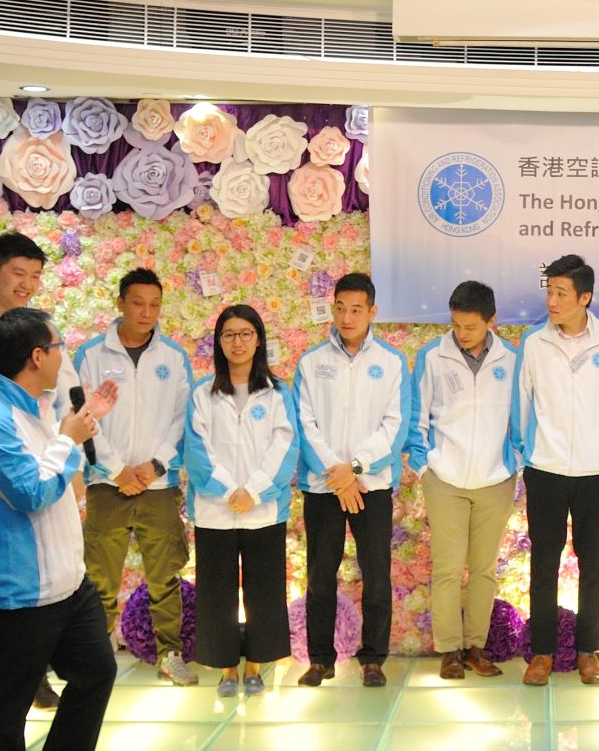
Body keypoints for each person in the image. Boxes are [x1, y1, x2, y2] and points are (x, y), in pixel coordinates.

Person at [0, 308, 119, 751]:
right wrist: (68, 440)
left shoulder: (41, 407)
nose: (61, 355)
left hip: (67, 581)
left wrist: (79, 425)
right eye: (57, 346)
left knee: (96, 672)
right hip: (18, 588)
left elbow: (58, 472)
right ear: (36, 356)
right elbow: (30, 493)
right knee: (8, 702)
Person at [0, 231, 76, 712]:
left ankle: (35, 673)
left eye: (35, 276)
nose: (26, 284)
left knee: (42, 570)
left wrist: (74, 465)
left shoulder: (43, 332)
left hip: (40, 459)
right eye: (17, 273)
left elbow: (64, 401)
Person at [513, 255, 599, 687]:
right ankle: (542, 654)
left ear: (585, 298)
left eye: (561, 293)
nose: (552, 301)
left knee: (593, 563)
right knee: (543, 563)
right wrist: (529, 453)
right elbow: (521, 402)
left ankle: (588, 652)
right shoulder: (534, 342)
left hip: (596, 474)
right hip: (545, 471)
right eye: (549, 291)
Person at [73, 269, 196, 684]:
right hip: (107, 484)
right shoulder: (92, 354)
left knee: (165, 577)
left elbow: (182, 420)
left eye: (154, 305)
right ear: (121, 303)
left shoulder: (173, 357)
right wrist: (116, 470)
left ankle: (170, 654)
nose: (146, 312)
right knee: (100, 578)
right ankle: (95, 658)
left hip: (157, 485)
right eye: (138, 303)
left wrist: (155, 465)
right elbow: (82, 416)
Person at [292, 272, 411, 688]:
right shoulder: (311, 362)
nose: (347, 317)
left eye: (356, 309)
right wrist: (338, 475)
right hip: (324, 486)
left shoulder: (392, 362)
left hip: (371, 486)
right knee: (320, 575)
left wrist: (355, 468)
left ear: (372, 311)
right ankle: (320, 659)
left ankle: (373, 659)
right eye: (340, 308)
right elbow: (304, 423)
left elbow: (395, 426)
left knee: (376, 574)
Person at [182, 305, 299, 698]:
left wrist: (255, 489)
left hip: (263, 510)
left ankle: (255, 667)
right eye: (229, 334)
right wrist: (229, 490)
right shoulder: (202, 393)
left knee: (264, 592)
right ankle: (227, 669)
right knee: (217, 594)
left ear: (258, 339)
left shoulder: (278, 393)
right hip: (215, 510)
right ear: (219, 341)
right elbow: (196, 450)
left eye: (245, 333)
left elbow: (285, 445)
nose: (238, 342)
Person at [407, 280, 520, 681]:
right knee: (448, 569)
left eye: (471, 327)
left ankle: (476, 647)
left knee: (484, 569)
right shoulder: (432, 356)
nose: (462, 333)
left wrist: (516, 465)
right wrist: (425, 467)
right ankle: (450, 650)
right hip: (445, 479)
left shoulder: (512, 360)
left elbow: (521, 418)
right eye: (455, 325)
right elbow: (417, 418)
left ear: (491, 321)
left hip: (496, 479)